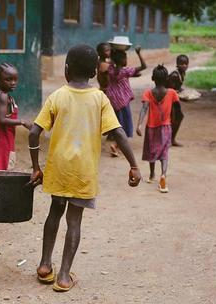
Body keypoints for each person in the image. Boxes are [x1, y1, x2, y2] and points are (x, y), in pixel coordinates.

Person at [28, 44, 141, 292]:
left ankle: (45, 265)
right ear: (93, 72)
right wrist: (133, 165)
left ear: (66, 69)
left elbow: (35, 132)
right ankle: (64, 276)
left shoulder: (57, 96)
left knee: (54, 212)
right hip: (83, 173)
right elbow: (118, 133)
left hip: (59, 168)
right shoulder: (99, 98)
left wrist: (36, 166)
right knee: (74, 222)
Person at [136, 65, 180, 193]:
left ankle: (151, 175)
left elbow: (144, 108)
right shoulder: (172, 93)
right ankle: (163, 175)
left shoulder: (148, 93)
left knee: (152, 150)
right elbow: (176, 110)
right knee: (164, 153)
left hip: (151, 127)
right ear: (167, 78)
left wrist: (139, 124)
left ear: (152, 78)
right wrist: (174, 122)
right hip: (166, 127)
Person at [0, 63, 32, 170]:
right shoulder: (3, 96)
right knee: (2, 170)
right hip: (2, 144)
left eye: (15, 79)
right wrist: (22, 122)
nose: (13, 83)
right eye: (8, 80)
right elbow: (1, 119)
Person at [105, 46, 147, 156]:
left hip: (113, 99)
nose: (126, 60)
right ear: (122, 60)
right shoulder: (125, 71)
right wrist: (138, 53)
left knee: (118, 123)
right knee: (125, 125)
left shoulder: (110, 69)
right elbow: (144, 66)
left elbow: (114, 69)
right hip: (123, 101)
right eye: (125, 58)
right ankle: (116, 146)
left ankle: (117, 145)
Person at [167, 54, 199, 147]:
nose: (184, 65)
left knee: (179, 117)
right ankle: (167, 140)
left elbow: (177, 88)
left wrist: (186, 92)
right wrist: (183, 96)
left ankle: (172, 139)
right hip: (168, 100)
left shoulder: (182, 74)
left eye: (186, 63)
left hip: (174, 99)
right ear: (177, 64)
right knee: (170, 120)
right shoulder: (174, 75)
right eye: (181, 63)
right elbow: (169, 91)